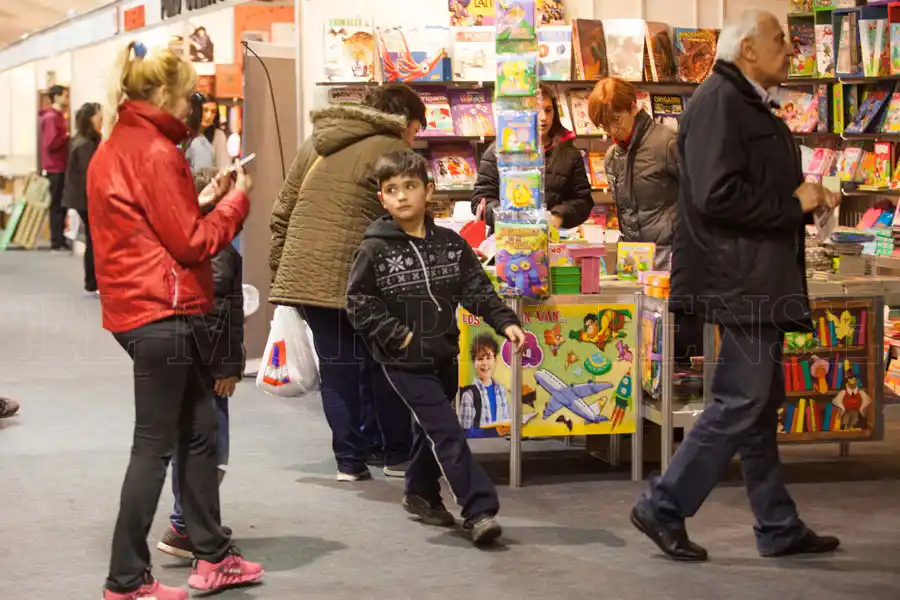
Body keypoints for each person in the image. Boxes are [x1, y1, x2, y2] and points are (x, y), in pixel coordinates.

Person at [630, 10, 841, 562]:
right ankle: (664, 504)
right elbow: (715, 195)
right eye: (780, 40)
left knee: (759, 401)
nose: (790, 50)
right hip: (740, 283)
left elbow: (741, 186)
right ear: (747, 49)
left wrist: (808, 200)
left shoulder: (746, 103)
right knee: (742, 397)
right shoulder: (721, 102)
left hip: (753, 279)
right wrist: (793, 204)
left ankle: (778, 523)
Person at [88, 41, 262, 599]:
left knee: (200, 430)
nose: (192, 106)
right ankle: (126, 580)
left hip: (140, 308)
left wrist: (204, 199)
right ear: (164, 93)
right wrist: (235, 204)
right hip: (164, 311)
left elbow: (154, 227)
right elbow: (190, 244)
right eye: (187, 95)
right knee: (155, 446)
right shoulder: (157, 151)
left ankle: (212, 556)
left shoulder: (118, 145)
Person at [346, 151, 527, 546]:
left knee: (432, 429)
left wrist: (506, 322)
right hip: (403, 359)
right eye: (391, 189)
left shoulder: (451, 245)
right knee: (447, 431)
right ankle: (478, 509)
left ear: (429, 191)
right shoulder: (374, 250)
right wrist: (400, 336)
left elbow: (477, 290)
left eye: (410, 186)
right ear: (382, 199)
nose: (401, 196)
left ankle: (420, 492)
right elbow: (359, 303)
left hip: (445, 353)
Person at [270, 84, 425, 481]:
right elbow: (408, 217)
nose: (415, 138)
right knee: (386, 363)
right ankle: (395, 455)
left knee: (338, 368)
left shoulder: (316, 143)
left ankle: (349, 461)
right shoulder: (394, 150)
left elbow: (282, 210)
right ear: (405, 122)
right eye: (417, 129)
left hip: (308, 272)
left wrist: (282, 271)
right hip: (365, 277)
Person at [157, 168, 244, 560]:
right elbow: (217, 311)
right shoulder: (215, 248)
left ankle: (190, 522)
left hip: (175, 360)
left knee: (190, 443)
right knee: (210, 449)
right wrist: (225, 367)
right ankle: (185, 524)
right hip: (204, 366)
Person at [472, 85, 594, 230]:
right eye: (535, 110)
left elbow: (583, 201)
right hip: (508, 236)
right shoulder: (498, 151)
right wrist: (508, 217)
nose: (543, 118)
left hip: (552, 237)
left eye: (548, 110)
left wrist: (558, 216)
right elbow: (480, 201)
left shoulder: (569, 154)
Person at [587, 77, 678, 270]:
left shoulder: (667, 142)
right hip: (632, 258)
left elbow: (699, 196)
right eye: (604, 125)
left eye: (616, 119)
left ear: (633, 107)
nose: (612, 130)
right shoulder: (612, 157)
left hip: (669, 256)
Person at [62, 102, 103, 295]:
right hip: (85, 198)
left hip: (80, 197)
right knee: (95, 239)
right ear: (91, 118)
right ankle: (93, 281)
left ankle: (92, 281)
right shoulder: (86, 144)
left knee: (92, 238)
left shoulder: (81, 139)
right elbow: (90, 175)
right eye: (99, 115)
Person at [39, 84, 71, 251]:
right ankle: (57, 241)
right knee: (57, 205)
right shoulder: (52, 117)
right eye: (65, 95)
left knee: (61, 204)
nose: (67, 98)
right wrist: (66, 137)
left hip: (59, 164)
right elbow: (51, 143)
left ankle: (60, 239)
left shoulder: (58, 116)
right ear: (57, 97)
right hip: (55, 166)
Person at [459, 334, 511, 430]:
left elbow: (506, 421)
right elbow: (465, 431)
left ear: (495, 359)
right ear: (474, 363)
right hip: (482, 440)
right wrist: (491, 432)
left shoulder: (502, 390)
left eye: (488, 358)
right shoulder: (469, 395)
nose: (484, 363)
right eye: (480, 359)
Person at [185, 93, 230, 172]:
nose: (209, 116)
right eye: (205, 110)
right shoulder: (185, 132)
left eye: (213, 112)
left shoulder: (218, 135)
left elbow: (224, 167)